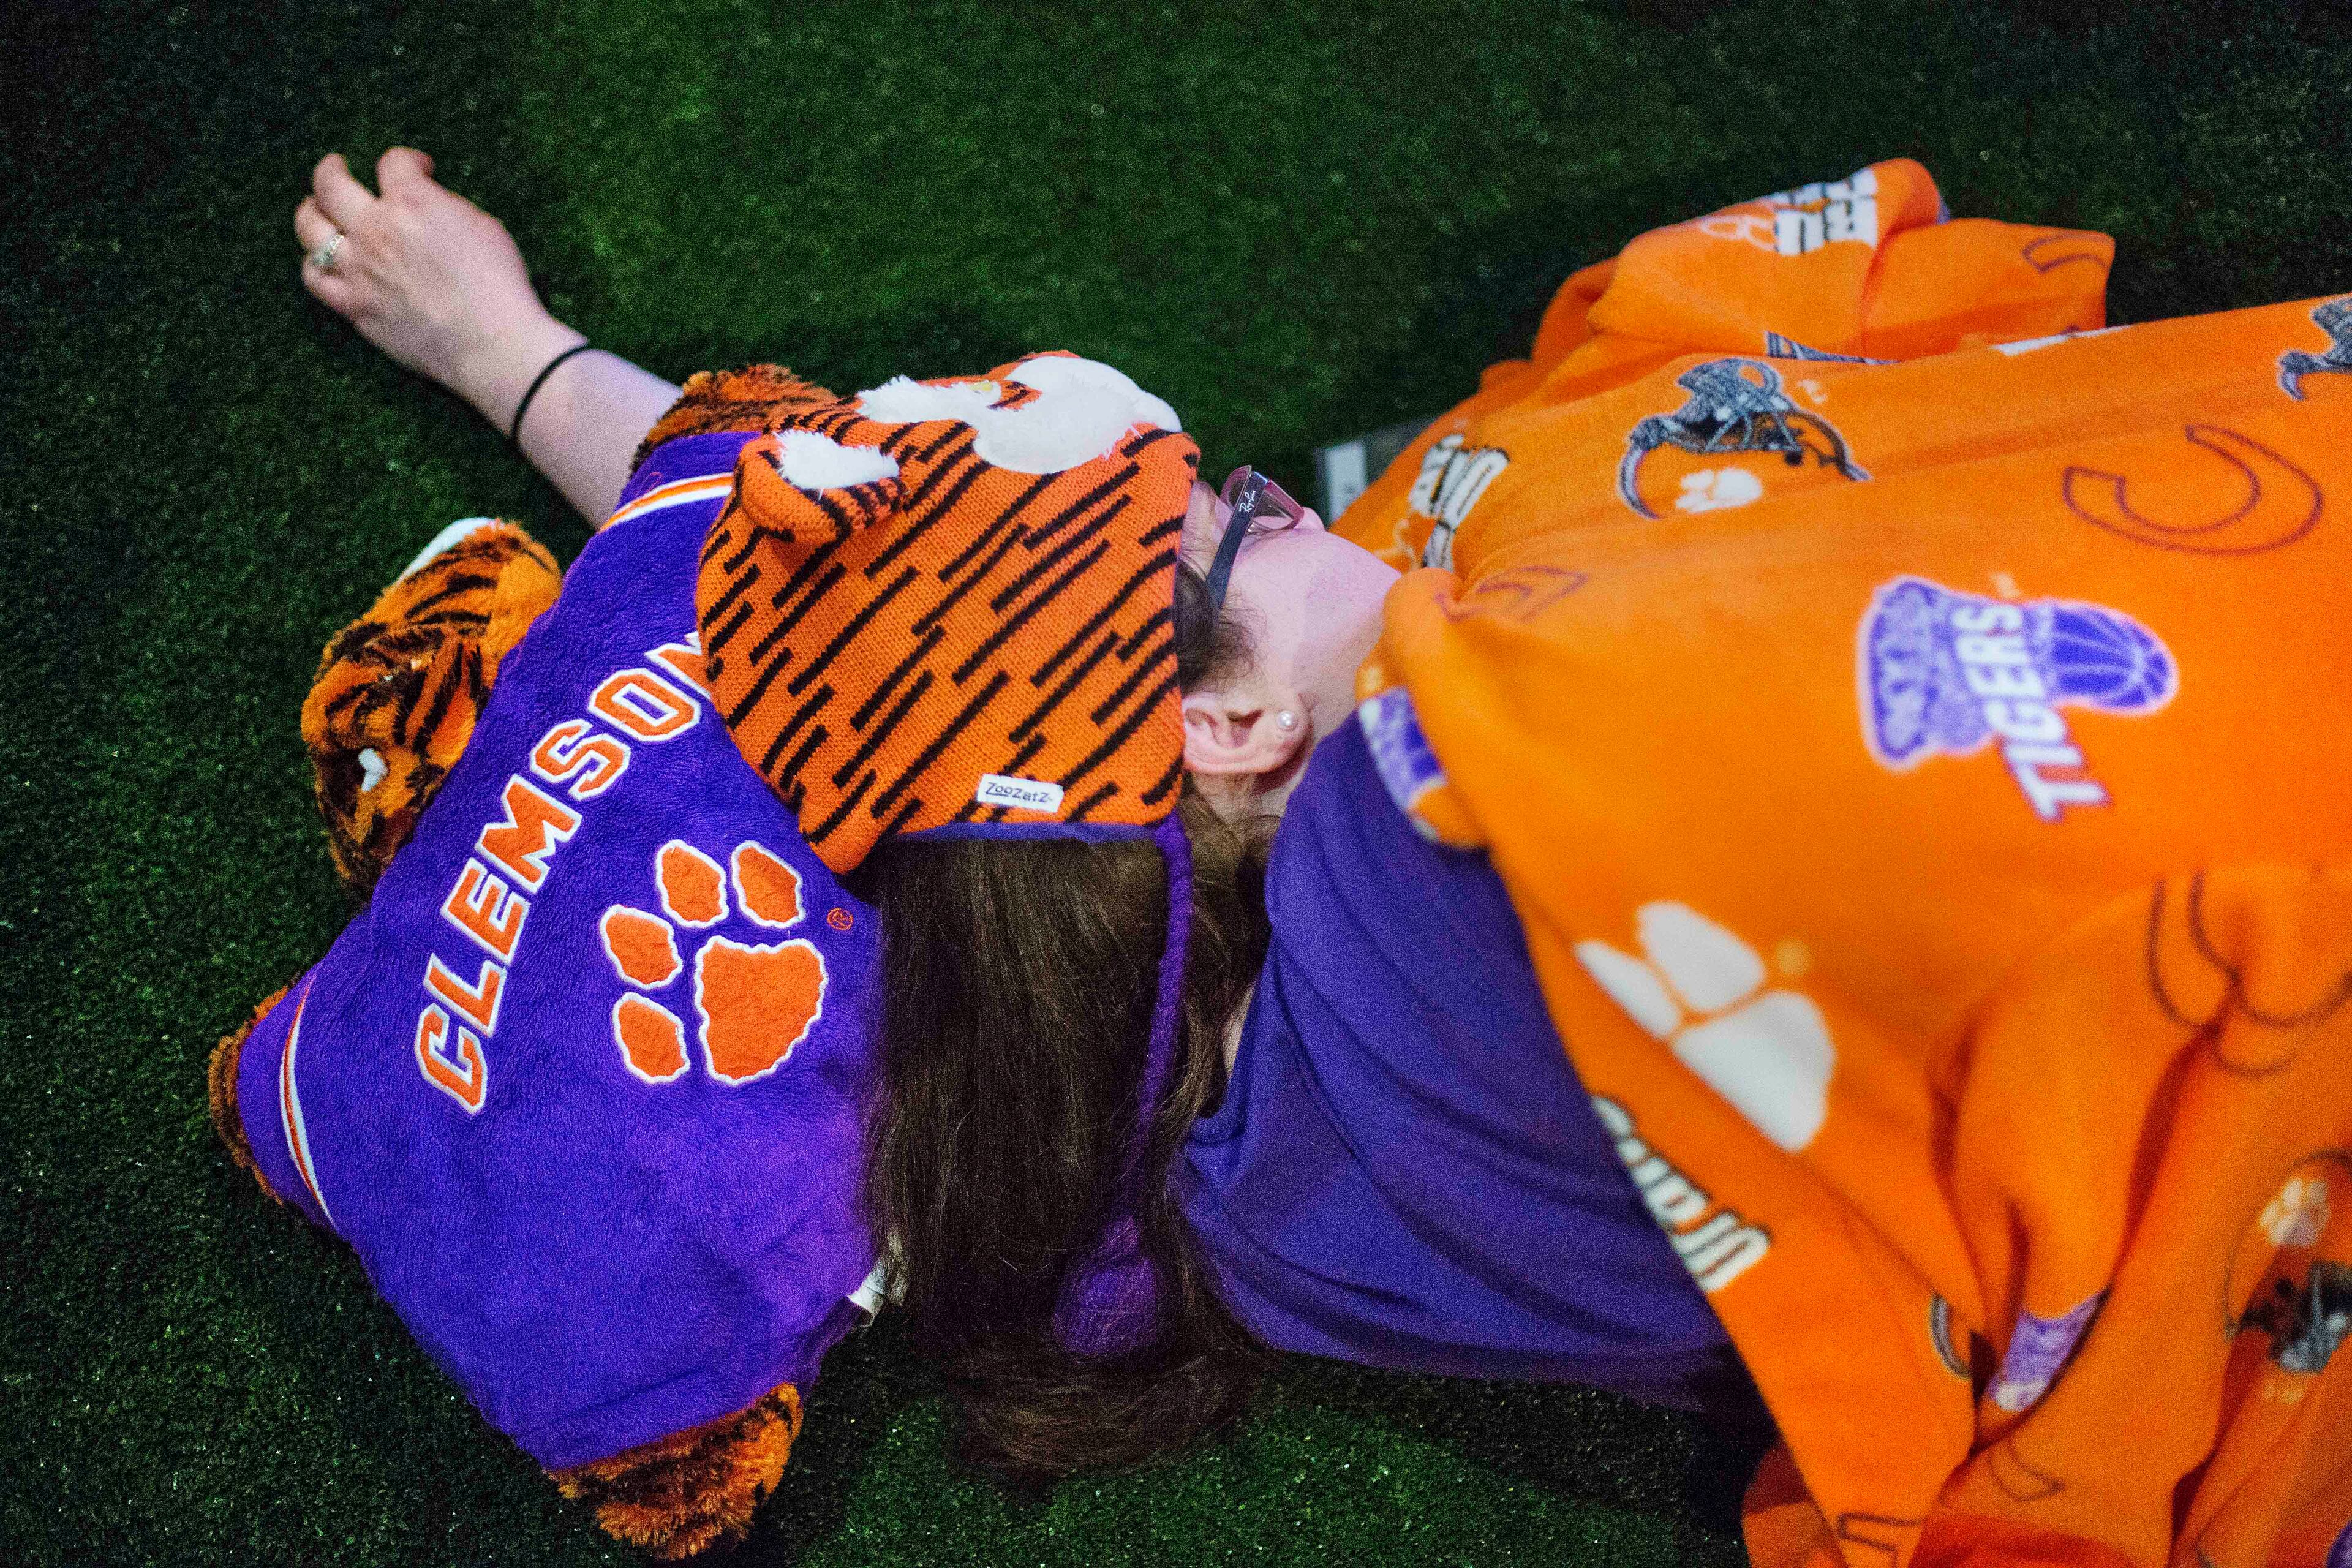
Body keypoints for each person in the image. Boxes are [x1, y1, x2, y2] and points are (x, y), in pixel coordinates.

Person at [235, 146, 2352, 1566]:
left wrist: (502, 349)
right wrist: (513, 353)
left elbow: (831, 604)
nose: (1286, 498)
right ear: (1230, 728)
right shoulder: (1447, 827)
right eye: (1231, 518)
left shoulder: (1199, 1191)